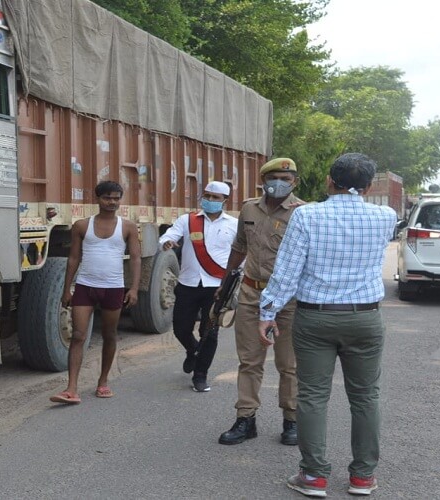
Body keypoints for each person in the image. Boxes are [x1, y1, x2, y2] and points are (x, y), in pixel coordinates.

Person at [258, 153, 396, 498]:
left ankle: (314, 476)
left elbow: (288, 271)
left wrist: (268, 312)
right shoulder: (385, 216)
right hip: (365, 317)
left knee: (313, 396)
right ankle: (363, 477)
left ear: (329, 182)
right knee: (365, 397)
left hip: (315, 317)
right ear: (368, 187)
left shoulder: (307, 215)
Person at [218, 157, 303, 446]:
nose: (279, 183)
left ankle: (291, 420)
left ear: (294, 183)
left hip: (288, 298)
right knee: (249, 361)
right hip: (252, 293)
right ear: (263, 180)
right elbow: (240, 246)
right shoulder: (248, 208)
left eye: (286, 178)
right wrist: (224, 285)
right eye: (274, 177)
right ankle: (246, 419)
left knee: (288, 364)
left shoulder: (303, 213)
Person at [49, 180, 141, 404]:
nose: (112, 202)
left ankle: (103, 382)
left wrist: (135, 288)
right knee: (78, 336)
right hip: (85, 287)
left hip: (113, 288)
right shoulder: (82, 225)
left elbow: (136, 258)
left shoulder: (127, 226)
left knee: (109, 335)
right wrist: (66, 289)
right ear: (97, 199)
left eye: (116, 198)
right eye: (107, 197)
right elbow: (73, 258)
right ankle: (71, 388)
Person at [158, 181, 237, 392]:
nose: (209, 200)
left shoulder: (233, 224)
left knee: (209, 332)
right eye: (207, 196)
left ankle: (200, 375)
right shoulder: (188, 220)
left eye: (215, 198)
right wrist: (166, 242)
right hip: (188, 283)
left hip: (217, 286)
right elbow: (169, 235)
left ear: (225, 201)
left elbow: (241, 254)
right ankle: (192, 349)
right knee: (180, 327)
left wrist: (236, 282)